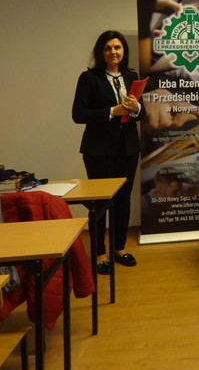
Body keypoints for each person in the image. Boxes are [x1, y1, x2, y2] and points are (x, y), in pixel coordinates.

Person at [72, 30, 144, 275]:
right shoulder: (89, 78)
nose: (114, 52)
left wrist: (136, 108)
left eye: (117, 47)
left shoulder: (132, 76)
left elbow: (141, 113)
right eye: (108, 48)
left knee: (123, 199)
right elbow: (78, 114)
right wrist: (112, 111)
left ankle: (119, 248)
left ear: (124, 51)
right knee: (101, 202)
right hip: (99, 150)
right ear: (101, 52)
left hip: (128, 148)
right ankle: (99, 253)